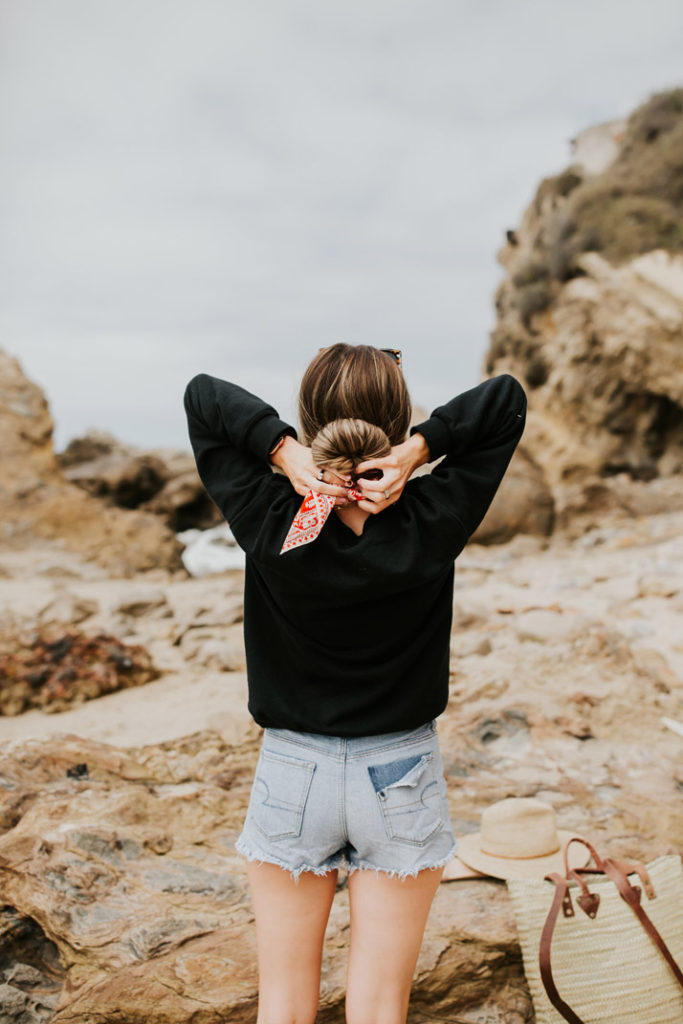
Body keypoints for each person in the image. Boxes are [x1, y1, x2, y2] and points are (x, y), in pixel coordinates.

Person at [183, 344, 526, 1024]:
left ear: (309, 425)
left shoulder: (266, 513)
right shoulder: (432, 518)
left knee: (282, 1005)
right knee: (378, 1008)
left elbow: (203, 396)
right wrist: (420, 451)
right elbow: (505, 399)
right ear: (396, 426)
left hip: (292, 768)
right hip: (400, 773)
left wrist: (282, 454)